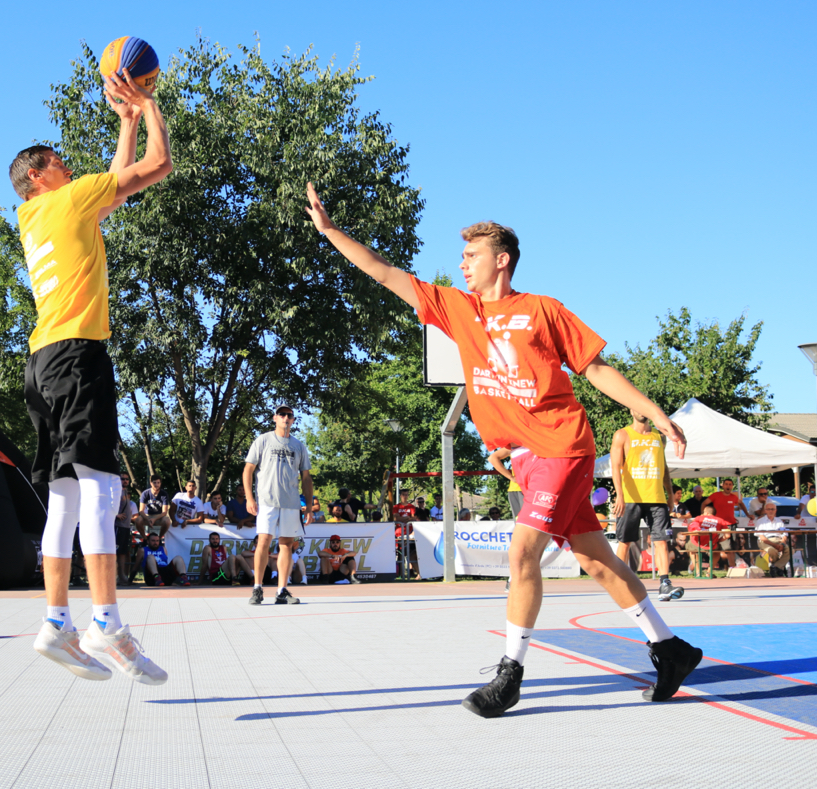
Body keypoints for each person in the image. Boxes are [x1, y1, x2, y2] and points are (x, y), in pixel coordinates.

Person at [302, 185, 700, 717]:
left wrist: (653, 411)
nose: (462, 263)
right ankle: (671, 650)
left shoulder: (542, 310)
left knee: (521, 553)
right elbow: (384, 272)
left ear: (502, 260)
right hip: (527, 457)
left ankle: (510, 675)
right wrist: (330, 231)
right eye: (462, 256)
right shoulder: (457, 308)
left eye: (472, 255)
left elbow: (597, 369)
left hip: (562, 444)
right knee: (597, 560)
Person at [17, 69, 172, 685]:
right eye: (58, 161)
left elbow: (113, 193)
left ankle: (56, 622)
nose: (68, 165)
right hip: (78, 358)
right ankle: (106, 621)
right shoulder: (68, 198)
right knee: (103, 493)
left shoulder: (37, 216)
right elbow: (157, 167)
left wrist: (125, 122)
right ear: (37, 174)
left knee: (64, 498)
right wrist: (148, 105)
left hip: (42, 362)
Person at [243, 405, 314, 605]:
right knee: (263, 541)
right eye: (282, 414)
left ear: (293, 420)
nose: (285, 417)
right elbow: (248, 470)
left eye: (289, 415)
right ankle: (257, 588)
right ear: (275, 418)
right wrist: (249, 498)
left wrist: (309, 507)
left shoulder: (298, 446)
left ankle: (281, 590)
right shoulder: (263, 440)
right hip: (267, 500)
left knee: (287, 545)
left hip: (291, 503)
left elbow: (306, 478)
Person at [611, 411, 683, 602]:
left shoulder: (659, 436)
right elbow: (615, 466)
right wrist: (619, 495)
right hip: (630, 498)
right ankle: (620, 584)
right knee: (625, 542)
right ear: (630, 410)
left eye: (643, 407)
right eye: (636, 407)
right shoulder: (622, 434)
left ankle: (665, 584)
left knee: (661, 541)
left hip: (656, 498)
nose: (640, 410)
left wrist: (669, 494)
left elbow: (663, 466)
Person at [686, 503, 735, 575]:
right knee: (717, 552)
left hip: (696, 544)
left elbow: (690, 527)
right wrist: (718, 540)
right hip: (712, 544)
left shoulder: (699, 518)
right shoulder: (720, 520)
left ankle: (698, 572)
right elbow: (727, 535)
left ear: (706, 512)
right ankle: (709, 572)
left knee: (692, 549)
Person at [754, 501, 792, 576]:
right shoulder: (760, 521)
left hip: (778, 540)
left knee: (790, 550)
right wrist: (775, 545)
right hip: (765, 541)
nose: (770, 511)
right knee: (772, 550)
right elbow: (762, 537)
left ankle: (775, 566)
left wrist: (782, 543)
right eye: (768, 509)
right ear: (765, 510)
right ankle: (780, 568)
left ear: (775, 510)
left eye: (772, 509)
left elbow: (784, 533)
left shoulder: (779, 521)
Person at [488, 447, 524, 517]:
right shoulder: (519, 445)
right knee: (523, 521)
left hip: (537, 488)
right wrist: (511, 477)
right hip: (519, 489)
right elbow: (493, 458)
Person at [114, 487, 137, 586]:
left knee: (123, 552)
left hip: (126, 527)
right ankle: (113, 577)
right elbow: (106, 504)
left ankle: (122, 576)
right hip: (117, 526)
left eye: (127, 479)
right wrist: (116, 515)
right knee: (114, 552)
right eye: (123, 479)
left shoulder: (125, 492)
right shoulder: (115, 490)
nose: (125, 481)